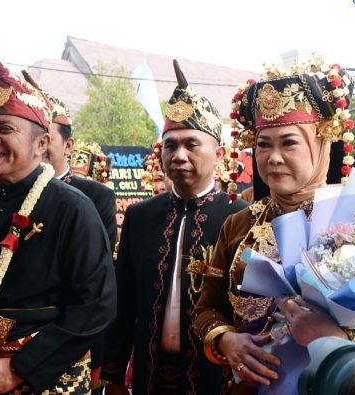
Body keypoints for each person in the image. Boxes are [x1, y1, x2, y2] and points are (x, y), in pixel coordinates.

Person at [191, 60, 355, 394]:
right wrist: (226, 339)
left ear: (321, 144)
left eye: (288, 143)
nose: (273, 157)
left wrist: (334, 339)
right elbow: (207, 307)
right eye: (264, 144)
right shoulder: (239, 223)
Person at [0, 51, 116, 395]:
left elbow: (96, 307)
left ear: (42, 144)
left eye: (5, 129)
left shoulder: (73, 209)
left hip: (42, 378)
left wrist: (20, 368)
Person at [103, 60, 250, 395]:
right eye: (171, 145)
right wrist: (112, 376)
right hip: (148, 374)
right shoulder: (140, 216)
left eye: (191, 144)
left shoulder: (240, 217)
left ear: (219, 152)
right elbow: (122, 303)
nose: (179, 155)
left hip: (218, 377)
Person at [22, 70, 117, 253]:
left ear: (68, 146)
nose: (40, 146)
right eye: (33, 138)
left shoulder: (96, 196)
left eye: (47, 139)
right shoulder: (14, 189)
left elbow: (100, 263)